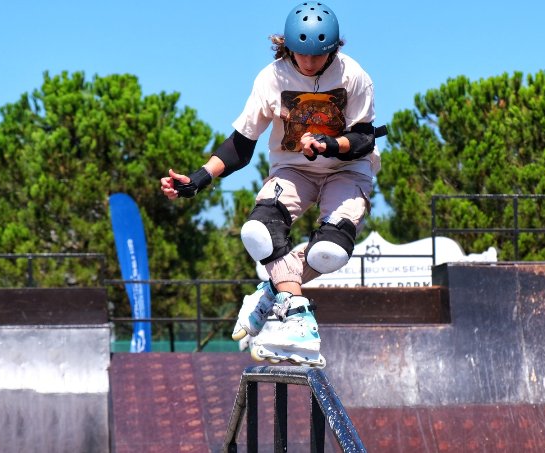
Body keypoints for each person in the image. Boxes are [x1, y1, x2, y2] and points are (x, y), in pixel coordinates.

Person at [160, 1, 383, 368]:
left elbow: (363, 138)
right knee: (259, 230)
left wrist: (329, 145)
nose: (309, 62)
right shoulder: (271, 79)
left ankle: (272, 288)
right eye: (301, 54)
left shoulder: (354, 75)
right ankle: (297, 316)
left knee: (330, 251)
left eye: (318, 56)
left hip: (348, 169)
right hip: (293, 169)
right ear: (287, 46)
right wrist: (199, 178)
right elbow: (241, 143)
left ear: (333, 50)